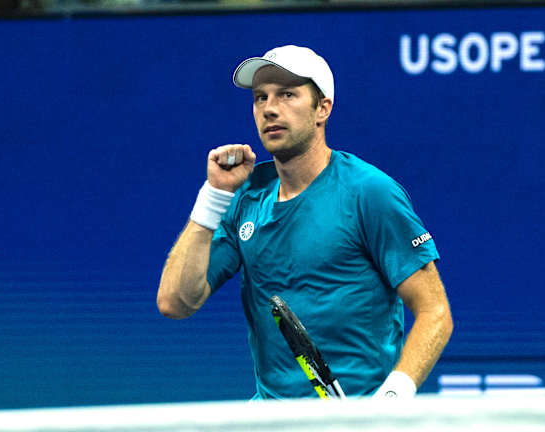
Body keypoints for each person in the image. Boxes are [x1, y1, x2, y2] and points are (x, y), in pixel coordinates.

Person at [157, 45, 453, 399]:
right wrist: (213, 197)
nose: (269, 109)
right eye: (260, 97)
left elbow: (435, 312)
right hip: (268, 419)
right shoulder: (246, 196)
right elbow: (176, 302)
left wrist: (391, 399)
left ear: (322, 109)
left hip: (358, 419)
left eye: (287, 95)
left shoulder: (369, 192)